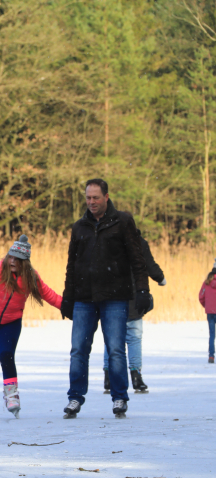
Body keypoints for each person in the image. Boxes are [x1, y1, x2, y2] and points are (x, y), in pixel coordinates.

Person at [60, 179, 149, 419]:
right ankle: (75, 398)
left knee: (116, 349)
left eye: (96, 198)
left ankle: (119, 396)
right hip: (84, 298)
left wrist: (142, 290)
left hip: (115, 297)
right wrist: (67, 297)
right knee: (79, 349)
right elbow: (72, 265)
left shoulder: (122, 222)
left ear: (106, 197)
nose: (91, 203)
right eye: (88, 198)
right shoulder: (79, 227)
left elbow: (137, 260)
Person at [0, 235, 62, 418]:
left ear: (24, 262)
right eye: (10, 256)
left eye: (16, 259)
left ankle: (11, 396)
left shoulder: (30, 277)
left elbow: (49, 294)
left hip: (11, 323)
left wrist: (67, 307)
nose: (11, 261)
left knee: (6, 355)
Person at [102, 229, 166, 393]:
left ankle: (109, 377)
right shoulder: (139, 242)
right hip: (133, 300)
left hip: (112, 299)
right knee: (134, 339)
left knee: (111, 339)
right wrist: (160, 278)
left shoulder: (107, 240)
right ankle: (136, 376)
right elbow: (150, 265)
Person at [198, 264, 216, 364]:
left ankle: (211, 356)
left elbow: (201, 296)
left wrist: (207, 305)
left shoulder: (207, 282)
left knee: (212, 335)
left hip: (210, 312)